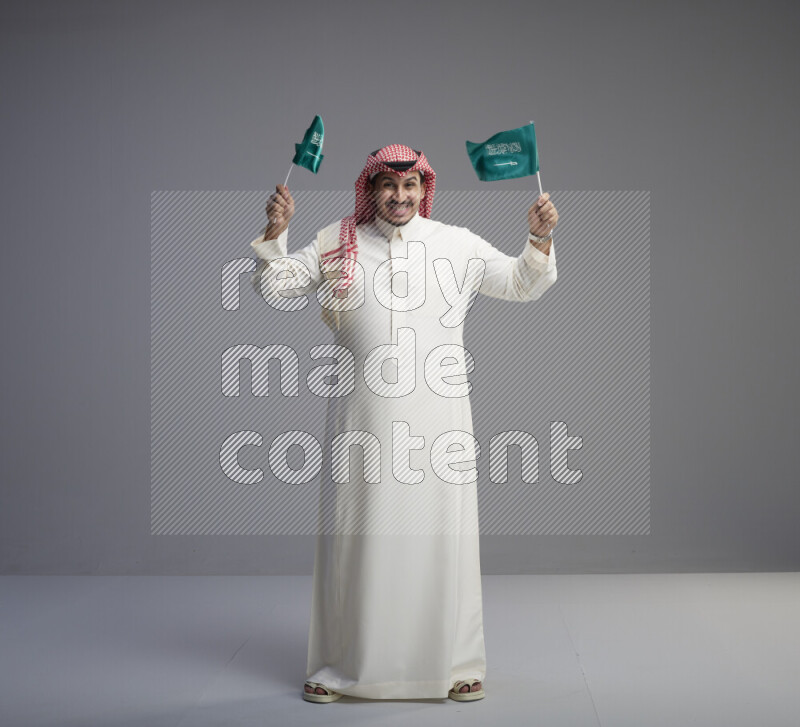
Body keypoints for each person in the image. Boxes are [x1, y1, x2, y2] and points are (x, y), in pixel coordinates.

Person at [249, 144, 558, 702]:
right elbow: (274, 288)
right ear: (370, 189)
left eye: (410, 185)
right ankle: (338, 668)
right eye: (388, 186)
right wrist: (276, 233)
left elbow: (521, 283)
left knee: (444, 537)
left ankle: (458, 665)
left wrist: (538, 239)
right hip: (360, 420)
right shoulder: (336, 241)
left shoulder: (456, 244)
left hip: (440, 420)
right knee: (357, 537)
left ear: (424, 190)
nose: (400, 196)